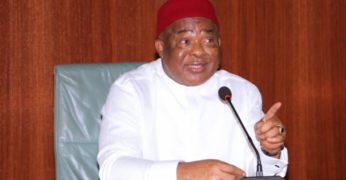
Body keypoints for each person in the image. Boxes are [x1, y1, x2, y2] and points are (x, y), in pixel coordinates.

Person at [97, 0, 288, 179]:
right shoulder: (131, 90)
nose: (198, 51)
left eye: (208, 40)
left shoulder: (241, 92)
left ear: (219, 44)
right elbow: (113, 168)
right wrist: (183, 173)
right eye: (185, 41)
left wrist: (270, 150)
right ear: (161, 48)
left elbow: (260, 170)